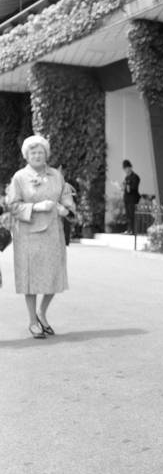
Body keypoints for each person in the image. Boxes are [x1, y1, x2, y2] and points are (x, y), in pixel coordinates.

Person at [7, 135, 75, 338]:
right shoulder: (19, 177)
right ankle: (32, 321)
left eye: (41, 152)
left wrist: (66, 209)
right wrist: (35, 207)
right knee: (31, 279)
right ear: (26, 156)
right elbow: (12, 205)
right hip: (28, 235)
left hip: (53, 233)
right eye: (33, 153)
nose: (37, 156)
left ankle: (41, 313)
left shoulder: (56, 175)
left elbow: (66, 198)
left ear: (46, 154)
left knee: (54, 276)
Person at [122, 159, 140, 234]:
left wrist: (127, 185)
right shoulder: (126, 178)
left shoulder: (135, 177)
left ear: (130, 167)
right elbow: (126, 189)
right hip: (127, 198)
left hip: (133, 198)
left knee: (132, 214)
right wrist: (123, 186)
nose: (126, 170)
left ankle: (133, 230)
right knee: (128, 215)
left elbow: (132, 189)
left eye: (126, 168)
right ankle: (129, 229)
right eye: (124, 169)